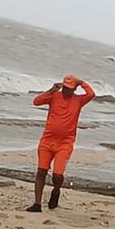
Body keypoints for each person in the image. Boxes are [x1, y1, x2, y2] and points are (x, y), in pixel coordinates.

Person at [26, 75, 95, 212]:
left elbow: (91, 94)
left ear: (75, 88)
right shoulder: (54, 96)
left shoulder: (79, 100)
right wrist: (51, 90)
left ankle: (56, 190)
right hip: (47, 139)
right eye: (65, 87)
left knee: (57, 174)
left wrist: (82, 83)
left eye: (70, 88)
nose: (66, 91)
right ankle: (37, 204)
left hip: (65, 142)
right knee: (41, 171)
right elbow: (36, 101)